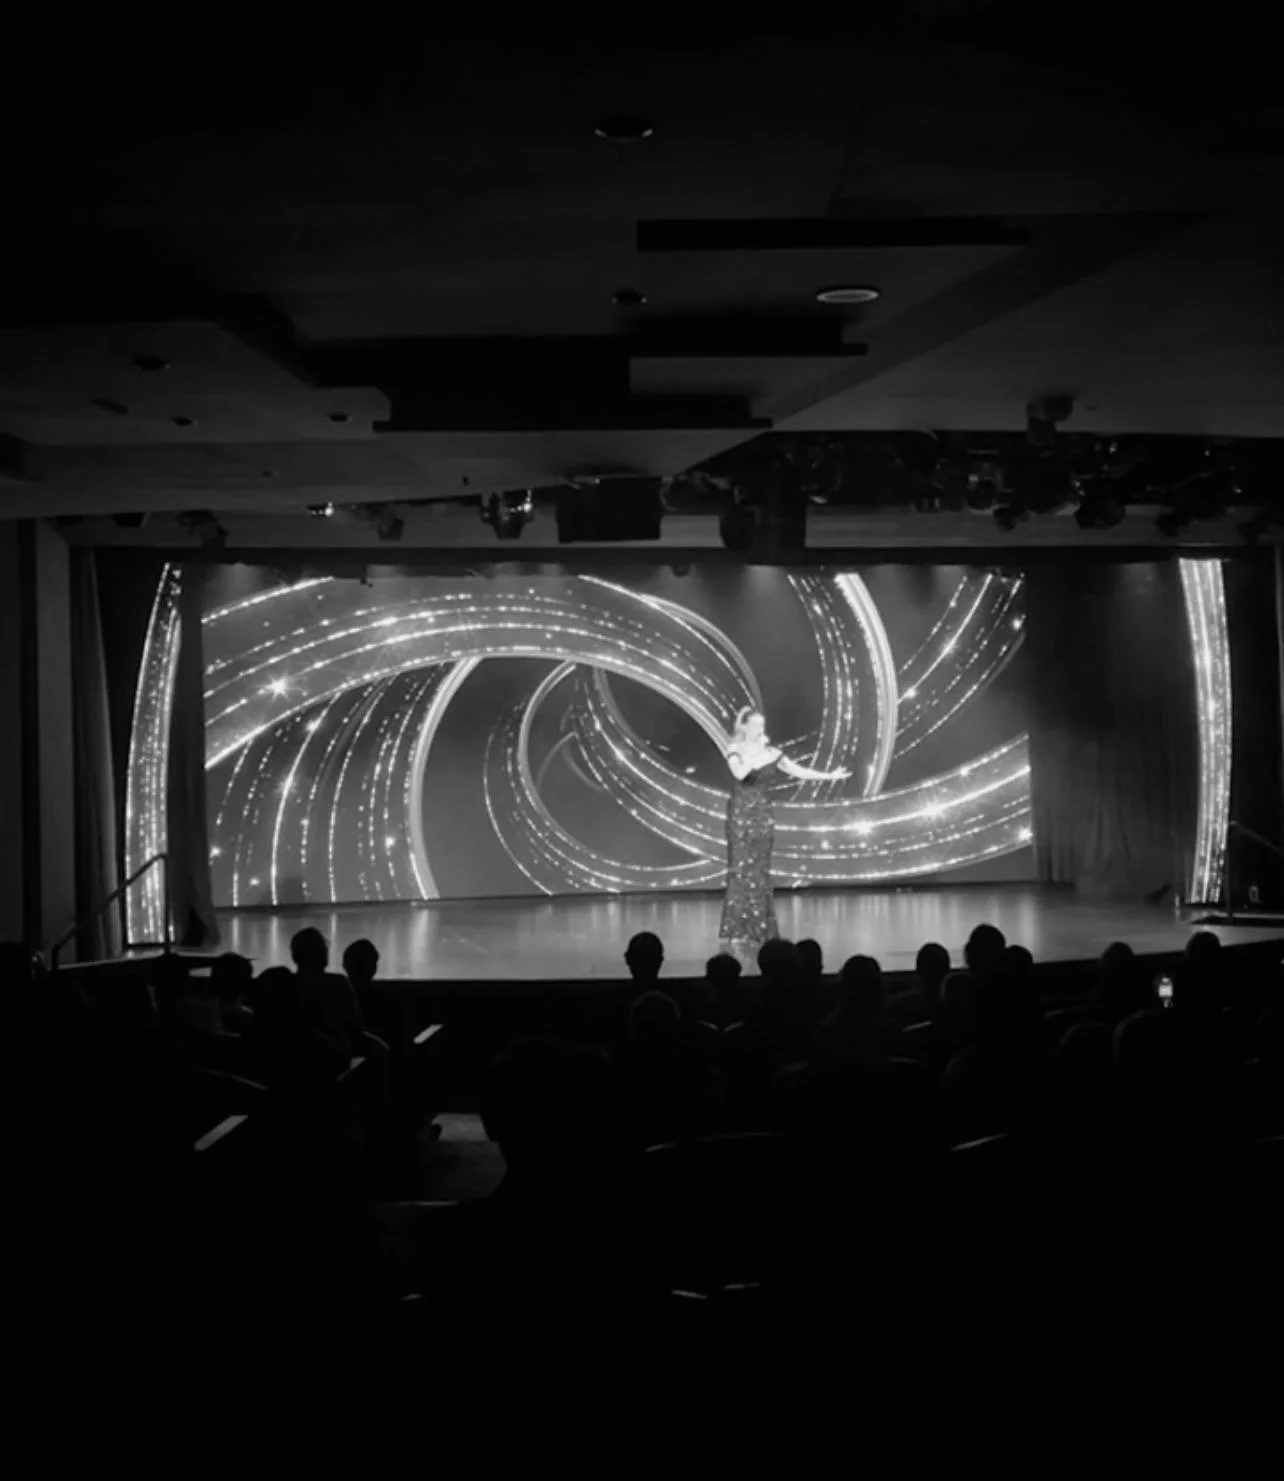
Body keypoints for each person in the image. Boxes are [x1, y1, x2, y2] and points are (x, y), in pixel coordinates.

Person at [720, 706, 850, 963]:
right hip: (740, 813)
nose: (760, 730)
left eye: (762, 725)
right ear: (745, 727)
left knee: (759, 869)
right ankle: (738, 928)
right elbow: (741, 773)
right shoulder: (734, 750)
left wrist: (828, 776)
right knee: (740, 868)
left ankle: (760, 929)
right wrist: (754, 752)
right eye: (755, 725)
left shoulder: (772, 753)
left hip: (763, 813)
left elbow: (798, 770)